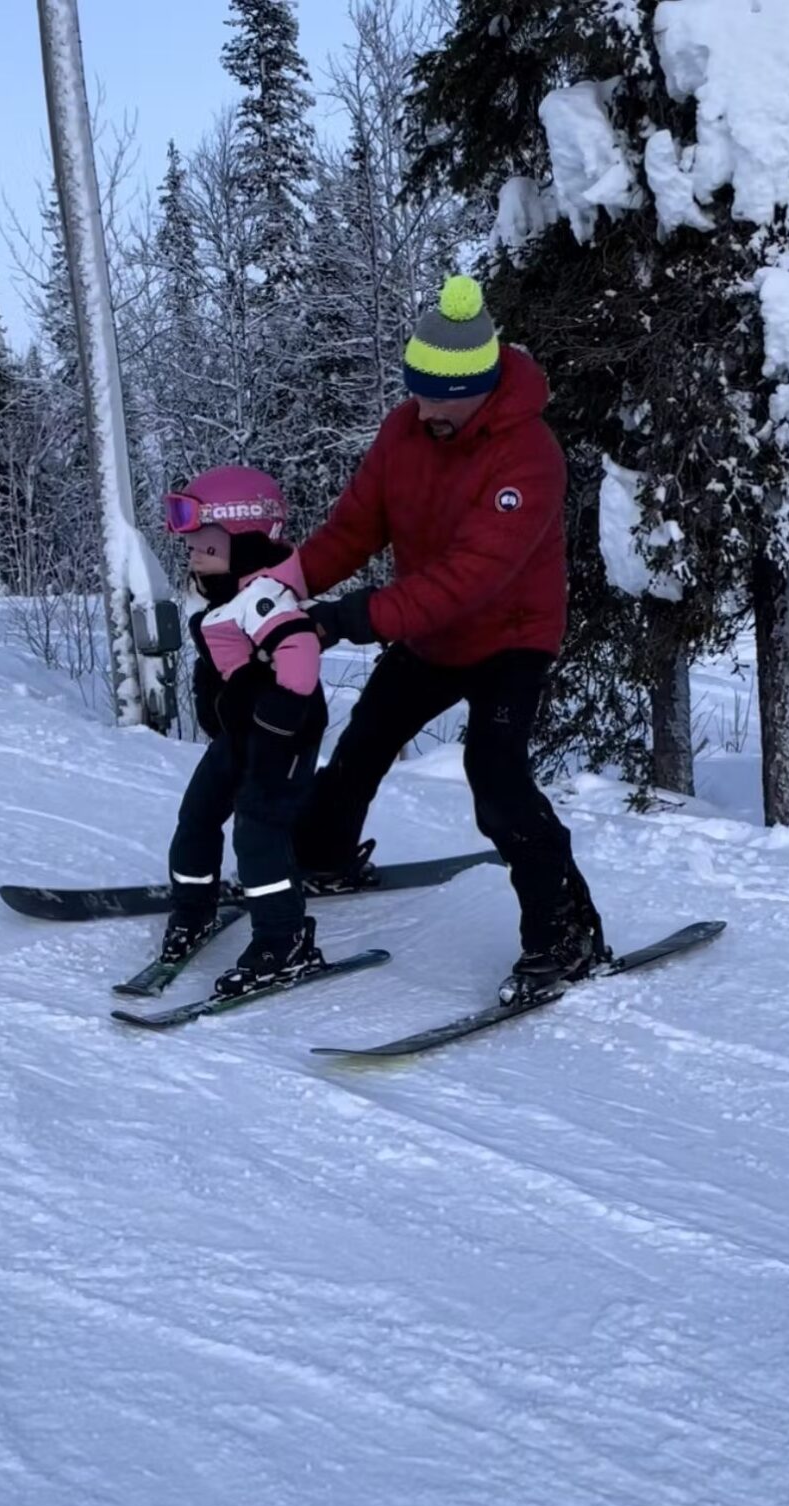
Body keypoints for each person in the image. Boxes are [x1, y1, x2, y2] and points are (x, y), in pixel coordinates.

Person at [293, 273, 609, 1002]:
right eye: (416, 388)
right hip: (430, 632)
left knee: (496, 783)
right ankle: (324, 857)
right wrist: (281, 587)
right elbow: (353, 528)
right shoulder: (405, 430)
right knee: (360, 748)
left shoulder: (527, 454)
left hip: (510, 637)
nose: (423, 406)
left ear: (482, 386)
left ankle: (565, 929)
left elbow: (472, 577)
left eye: (441, 395)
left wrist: (352, 617)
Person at [161, 465, 328, 997]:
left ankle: (285, 938)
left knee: (257, 830)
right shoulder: (230, 599)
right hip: (240, 736)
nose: (194, 559)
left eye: (206, 550)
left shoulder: (263, 597)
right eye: (193, 549)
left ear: (247, 542)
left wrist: (278, 718)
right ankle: (192, 908)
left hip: (282, 738)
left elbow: (299, 651)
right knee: (198, 814)